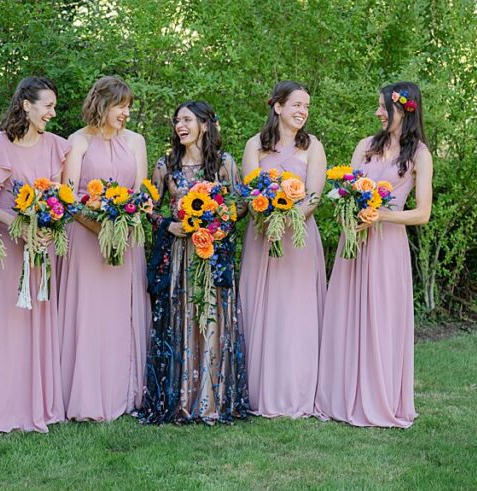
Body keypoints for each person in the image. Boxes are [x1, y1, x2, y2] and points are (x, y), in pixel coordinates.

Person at [315, 82, 433, 428]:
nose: (378, 113)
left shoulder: (419, 155)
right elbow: (346, 189)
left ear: (404, 110)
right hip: (354, 243)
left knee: (380, 317)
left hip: (387, 245)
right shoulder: (365, 146)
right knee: (347, 312)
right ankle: (341, 393)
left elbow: (422, 213)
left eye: (384, 107)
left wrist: (381, 215)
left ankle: (378, 397)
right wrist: (350, 212)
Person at [136, 101, 249, 425]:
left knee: (212, 319)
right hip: (179, 257)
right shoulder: (166, 165)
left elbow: (240, 204)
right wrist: (166, 225)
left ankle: (211, 402)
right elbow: (147, 207)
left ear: (204, 124)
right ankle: (181, 402)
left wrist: (218, 222)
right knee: (181, 320)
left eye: (186, 120)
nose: (179, 126)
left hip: (212, 254)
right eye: (176, 121)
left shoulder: (223, 164)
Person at [0, 76, 69, 433]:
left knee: (35, 322)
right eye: (48, 106)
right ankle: (2, 409)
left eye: (54, 106)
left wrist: (47, 227)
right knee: (7, 323)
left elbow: (59, 200)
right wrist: (15, 221)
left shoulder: (57, 147)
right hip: (4, 251)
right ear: (26, 105)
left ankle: (35, 405)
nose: (53, 113)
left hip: (39, 250)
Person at [57, 76, 150, 422]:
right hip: (86, 240)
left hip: (125, 240)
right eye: (120, 106)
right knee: (89, 316)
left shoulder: (136, 142)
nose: (126, 113)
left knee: (120, 316)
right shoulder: (78, 142)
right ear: (102, 104)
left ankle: (122, 394)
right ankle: (85, 398)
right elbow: (68, 196)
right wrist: (100, 227)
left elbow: (141, 192)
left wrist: (124, 223)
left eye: (128, 106)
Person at [238, 81, 327, 418]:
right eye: (297, 105)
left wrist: (286, 219)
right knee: (263, 308)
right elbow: (250, 191)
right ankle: (259, 391)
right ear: (277, 107)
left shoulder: (313, 146)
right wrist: (268, 217)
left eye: (306, 106)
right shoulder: (255, 146)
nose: (303, 111)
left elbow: (314, 196)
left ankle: (296, 391)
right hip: (262, 237)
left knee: (295, 312)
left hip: (298, 238)